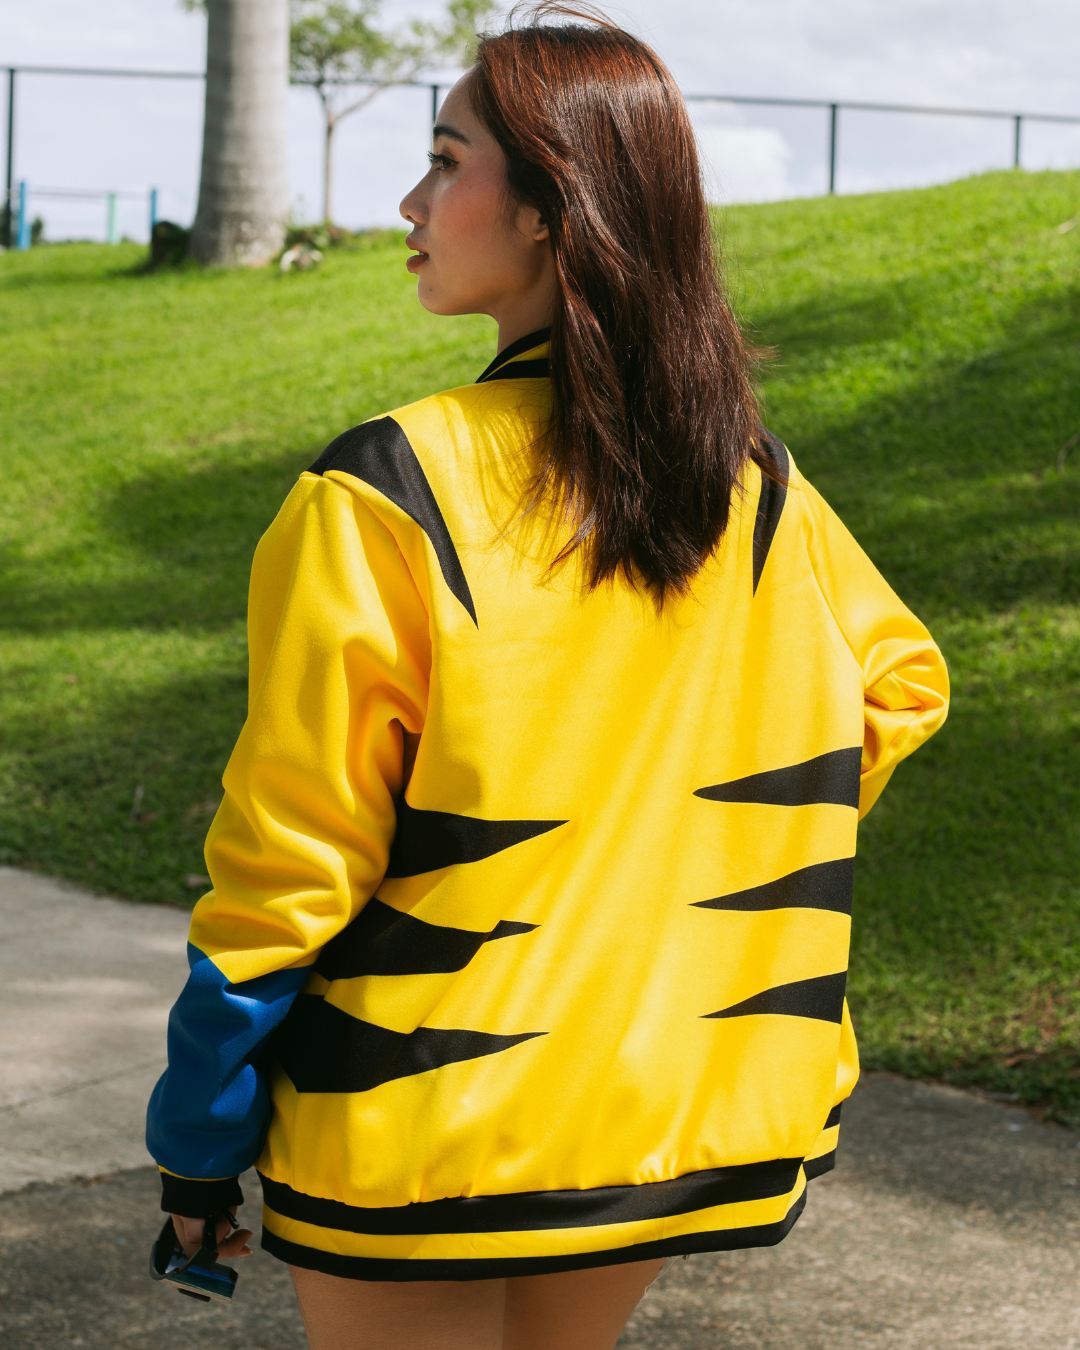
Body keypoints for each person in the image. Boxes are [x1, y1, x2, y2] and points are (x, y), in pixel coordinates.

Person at [146, 6, 949, 1347]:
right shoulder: (756, 484)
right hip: (675, 1095)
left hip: (423, 1114)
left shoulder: (384, 490)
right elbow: (901, 683)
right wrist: (678, 845)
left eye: (445, 159)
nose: (409, 203)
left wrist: (197, 1132)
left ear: (545, 210)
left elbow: (295, 856)